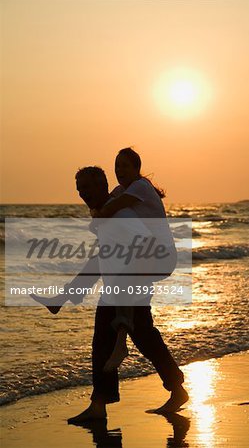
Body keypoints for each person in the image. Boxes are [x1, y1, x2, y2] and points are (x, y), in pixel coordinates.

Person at [32, 166, 189, 422]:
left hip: (128, 288)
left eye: (88, 188)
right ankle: (171, 389)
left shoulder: (121, 216)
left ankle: (100, 406)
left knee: (113, 343)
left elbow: (147, 246)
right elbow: (103, 257)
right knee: (140, 340)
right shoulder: (107, 216)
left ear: (103, 186)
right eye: (79, 189)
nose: (83, 194)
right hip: (117, 288)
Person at [91, 147, 177, 372]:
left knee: (121, 286)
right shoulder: (122, 189)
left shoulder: (140, 186)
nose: (119, 170)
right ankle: (175, 385)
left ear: (137, 169)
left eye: (125, 165)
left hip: (160, 256)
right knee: (142, 328)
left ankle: (120, 346)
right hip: (142, 255)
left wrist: (98, 214)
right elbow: (102, 210)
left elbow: (109, 210)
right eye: (116, 165)